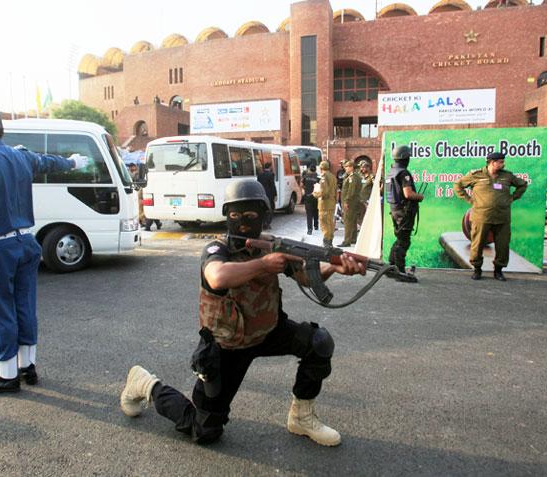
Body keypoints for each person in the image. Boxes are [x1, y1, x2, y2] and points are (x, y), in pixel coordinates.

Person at [119, 180, 365, 446]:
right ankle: (145, 384)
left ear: (264, 216)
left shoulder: (273, 246)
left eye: (250, 215)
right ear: (226, 216)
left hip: (268, 331)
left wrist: (335, 268)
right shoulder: (217, 248)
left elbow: (306, 278)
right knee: (205, 430)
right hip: (228, 345)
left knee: (319, 343)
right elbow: (216, 277)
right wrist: (263, 265)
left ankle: (301, 418)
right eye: (235, 215)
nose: (243, 222)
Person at [0, 108, 88, 394]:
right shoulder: (20, 156)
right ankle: (28, 367)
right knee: (24, 306)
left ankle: (6, 375)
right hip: (26, 243)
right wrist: (73, 163)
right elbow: (49, 163)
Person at [453, 151, 528, 281]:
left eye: (503, 162)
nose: (503, 164)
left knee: (503, 246)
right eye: (500, 162)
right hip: (481, 217)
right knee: (477, 245)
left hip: (502, 218)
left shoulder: (507, 176)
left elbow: (523, 184)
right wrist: (470, 200)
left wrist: (512, 197)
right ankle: (477, 269)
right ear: (492, 163)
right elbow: (458, 185)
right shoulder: (476, 175)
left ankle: (498, 270)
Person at [386, 145, 424, 279]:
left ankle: (390, 267)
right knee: (403, 241)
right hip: (404, 211)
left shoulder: (391, 172)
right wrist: (419, 196)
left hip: (394, 209)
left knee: (399, 238)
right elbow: (408, 194)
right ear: (405, 158)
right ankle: (400, 271)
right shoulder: (403, 173)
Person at [338, 160, 362, 247]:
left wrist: (347, 201)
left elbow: (351, 191)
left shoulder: (352, 177)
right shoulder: (353, 176)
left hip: (350, 202)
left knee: (348, 221)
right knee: (353, 221)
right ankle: (353, 238)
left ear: (351, 167)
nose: (345, 169)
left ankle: (346, 241)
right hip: (354, 202)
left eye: (347, 167)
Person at [313, 160, 336, 247]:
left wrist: (316, 194)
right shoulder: (333, 176)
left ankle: (326, 242)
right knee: (330, 223)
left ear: (321, 168)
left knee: (324, 223)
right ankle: (330, 241)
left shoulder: (323, 176)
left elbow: (324, 192)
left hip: (324, 204)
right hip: (331, 203)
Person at [256, 162, 277, 230]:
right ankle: (267, 224)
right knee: (270, 209)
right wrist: (275, 195)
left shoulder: (260, 175)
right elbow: (272, 186)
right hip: (269, 195)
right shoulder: (271, 174)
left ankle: (263, 223)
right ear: (270, 167)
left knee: (263, 209)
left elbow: (258, 184)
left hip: (261, 194)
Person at [301, 163, 319, 234]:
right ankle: (316, 225)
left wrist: (305, 189)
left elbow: (302, 185)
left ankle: (309, 229)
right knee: (315, 211)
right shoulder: (318, 177)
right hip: (315, 196)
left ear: (309, 169)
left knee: (309, 213)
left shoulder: (305, 176)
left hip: (307, 196)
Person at [358, 160, 374, 224]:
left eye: (364, 167)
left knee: (367, 215)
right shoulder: (360, 176)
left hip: (367, 200)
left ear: (368, 168)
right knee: (360, 215)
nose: (362, 169)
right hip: (359, 199)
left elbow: (376, 186)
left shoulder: (371, 176)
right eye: (361, 167)